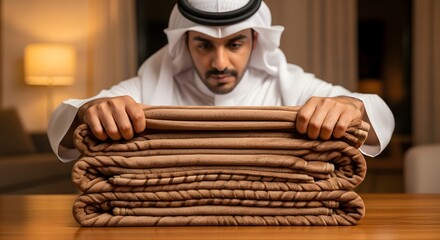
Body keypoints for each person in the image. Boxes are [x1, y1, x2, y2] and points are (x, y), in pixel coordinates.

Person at [48, 0, 394, 163]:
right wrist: (91, 111)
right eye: (203, 45)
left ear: (255, 42)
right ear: (184, 44)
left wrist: (352, 107)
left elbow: (378, 116)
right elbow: (66, 118)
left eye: (235, 44)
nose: (219, 62)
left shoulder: (288, 83)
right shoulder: (151, 81)